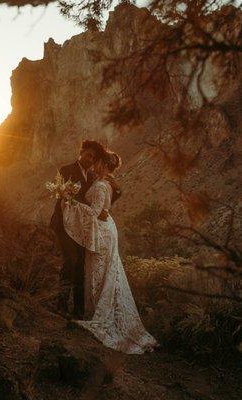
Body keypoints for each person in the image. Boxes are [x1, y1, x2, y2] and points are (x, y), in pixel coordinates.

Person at [61, 150, 157, 354]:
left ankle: (99, 314)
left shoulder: (102, 185)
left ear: (104, 165)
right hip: (106, 228)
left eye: (98, 163)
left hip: (103, 233)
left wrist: (70, 202)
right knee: (105, 272)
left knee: (99, 271)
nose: (94, 165)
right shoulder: (108, 182)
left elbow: (95, 213)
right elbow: (102, 211)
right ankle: (97, 310)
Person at [49, 140, 120, 318]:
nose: (90, 160)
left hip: (83, 228)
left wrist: (104, 210)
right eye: (88, 155)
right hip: (63, 224)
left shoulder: (92, 177)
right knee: (70, 261)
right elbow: (67, 198)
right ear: (81, 152)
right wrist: (95, 210)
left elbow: (116, 191)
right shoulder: (66, 170)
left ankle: (79, 309)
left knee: (81, 264)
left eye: (93, 158)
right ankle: (61, 304)